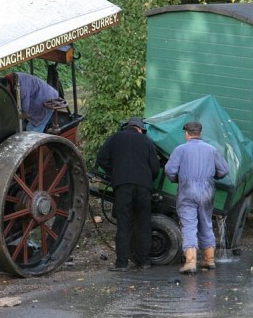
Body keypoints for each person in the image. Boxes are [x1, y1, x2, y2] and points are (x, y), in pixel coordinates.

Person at [164, 121, 229, 275]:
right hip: (207, 191)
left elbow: (169, 170)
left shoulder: (180, 150)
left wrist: (176, 179)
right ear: (200, 133)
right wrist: (212, 177)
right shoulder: (212, 150)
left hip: (187, 191)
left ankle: (191, 262)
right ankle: (209, 259)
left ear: (187, 133)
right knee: (206, 223)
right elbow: (224, 170)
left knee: (189, 225)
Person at [96, 117, 160, 271]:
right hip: (144, 187)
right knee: (144, 224)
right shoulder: (147, 141)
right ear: (140, 129)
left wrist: (115, 172)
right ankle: (144, 262)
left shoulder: (115, 138)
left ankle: (122, 263)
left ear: (127, 127)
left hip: (122, 186)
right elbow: (155, 168)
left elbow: (101, 159)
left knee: (123, 225)